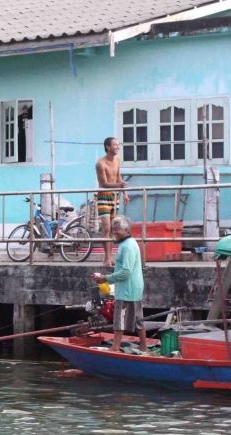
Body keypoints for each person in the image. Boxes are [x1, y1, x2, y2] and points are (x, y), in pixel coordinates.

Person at [92, 216, 148, 354]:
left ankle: (115, 347)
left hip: (127, 289)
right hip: (135, 287)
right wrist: (106, 278)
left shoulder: (127, 246)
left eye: (117, 230)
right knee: (138, 318)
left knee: (119, 319)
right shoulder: (132, 243)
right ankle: (143, 346)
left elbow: (125, 273)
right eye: (113, 229)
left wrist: (105, 278)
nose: (114, 232)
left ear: (126, 230)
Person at [95, 137, 130, 268]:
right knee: (106, 228)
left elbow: (118, 176)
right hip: (104, 197)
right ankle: (107, 258)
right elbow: (103, 183)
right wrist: (119, 185)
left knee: (113, 229)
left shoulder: (117, 160)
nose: (117, 147)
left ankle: (111, 258)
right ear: (108, 147)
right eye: (115, 145)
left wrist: (124, 193)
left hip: (114, 197)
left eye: (118, 145)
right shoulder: (100, 164)